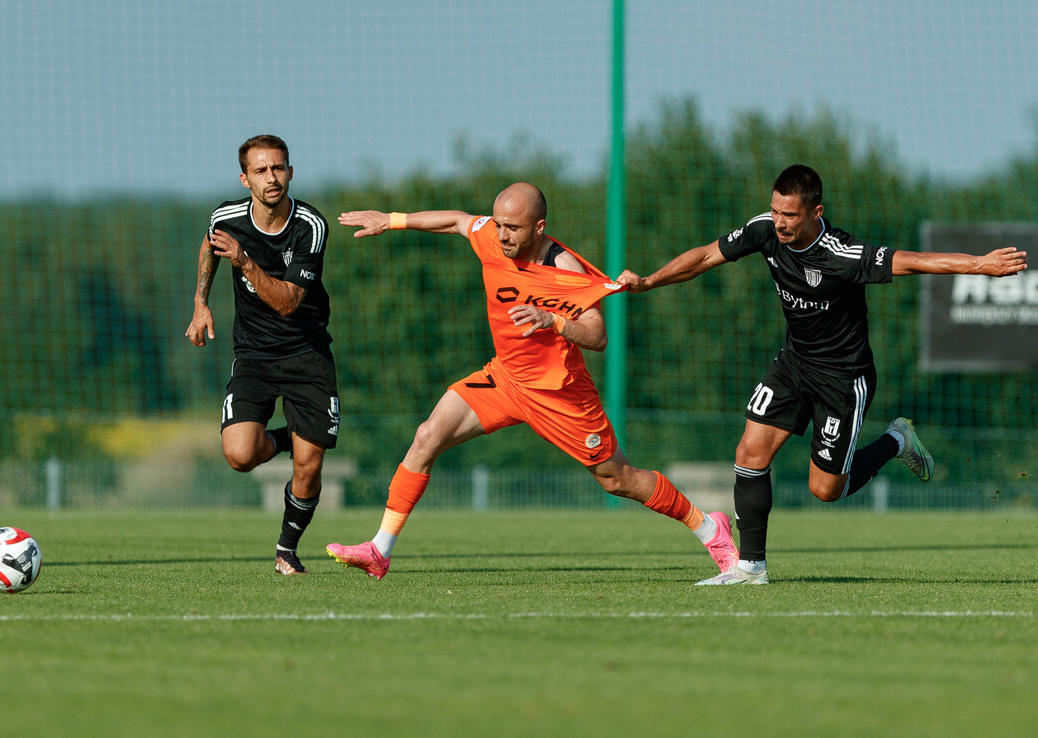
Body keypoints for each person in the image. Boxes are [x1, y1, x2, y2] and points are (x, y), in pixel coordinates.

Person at [618, 164, 1028, 585]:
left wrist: (980, 264)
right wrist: (649, 281)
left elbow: (915, 261)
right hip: (793, 365)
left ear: (816, 212)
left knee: (825, 490)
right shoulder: (764, 230)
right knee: (749, 455)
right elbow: (706, 255)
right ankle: (750, 567)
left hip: (843, 380)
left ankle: (897, 439)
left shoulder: (841, 254)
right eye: (775, 210)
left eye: (790, 215)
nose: (779, 222)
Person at [324, 182, 738, 580]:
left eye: (513, 228)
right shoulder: (492, 235)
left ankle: (708, 527)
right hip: (504, 378)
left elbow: (598, 336)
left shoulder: (565, 269)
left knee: (619, 480)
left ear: (539, 227)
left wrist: (553, 320)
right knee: (428, 435)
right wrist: (392, 220)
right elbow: (455, 220)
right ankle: (380, 550)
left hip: (561, 394)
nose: (501, 235)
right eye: (499, 224)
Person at [185, 134, 341, 576]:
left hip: (307, 352)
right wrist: (200, 302)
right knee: (239, 454)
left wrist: (246, 262)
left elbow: (289, 302)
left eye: (278, 168)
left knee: (309, 472)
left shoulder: (310, 225)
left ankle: (286, 551)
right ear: (245, 178)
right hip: (254, 352)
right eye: (261, 170)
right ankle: (291, 437)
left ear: (290, 171)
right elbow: (209, 246)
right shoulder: (226, 217)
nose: (271, 178)